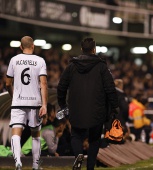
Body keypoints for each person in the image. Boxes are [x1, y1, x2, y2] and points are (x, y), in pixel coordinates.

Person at [57, 37, 119, 170]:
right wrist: (115, 106)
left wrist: (63, 104)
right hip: (97, 109)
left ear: (81, 49)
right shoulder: (102, 67)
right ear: (94, 49)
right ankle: (90, 168)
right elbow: (110, 88)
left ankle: (79, 155)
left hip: (76, 109)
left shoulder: (71, 66)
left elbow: (61, 86)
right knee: (94, 139)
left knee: (76, 135)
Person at [5, 36, 48, 170]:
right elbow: (43, 83)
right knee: (35, 134)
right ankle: (35, 165)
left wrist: (13, 96)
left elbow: (7, 83)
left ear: (20, 47)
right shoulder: (40, 60)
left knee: (16, 133)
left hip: (18, 101)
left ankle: (18, 161)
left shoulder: (14, 60)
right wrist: (45, 104)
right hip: (35, 102)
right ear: (33, 46)